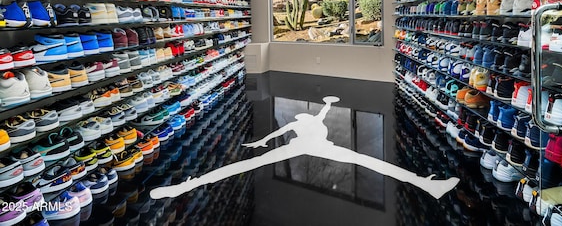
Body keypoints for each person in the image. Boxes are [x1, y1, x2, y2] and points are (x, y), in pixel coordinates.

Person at [150, 96, 460, 200]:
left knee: (367, 161)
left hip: (312, 147)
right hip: (305, 147)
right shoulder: (299, 125)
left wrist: (325, 104)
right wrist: (262, 141)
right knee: (367, 161)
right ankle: (183, 188)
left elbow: (319, 115)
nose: (302, 114)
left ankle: (424, 184)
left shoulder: (311, 119)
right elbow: (281, 130)